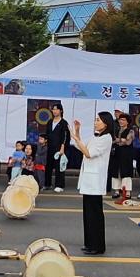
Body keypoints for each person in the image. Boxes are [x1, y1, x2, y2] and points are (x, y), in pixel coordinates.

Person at [71, 111, 115, 255]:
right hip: (89, 180)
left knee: (95, 214)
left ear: (106, 123)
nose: (96, 122)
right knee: (88, 214)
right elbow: (81, 147)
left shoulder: (106, 138)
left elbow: (89, 153)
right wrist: (77, 132)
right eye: (96, 119)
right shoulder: (96, 137)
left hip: (96, 180)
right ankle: (89, 243)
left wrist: (77, 139)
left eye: (98, 120)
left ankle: (97, 245)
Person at [44, 103, 69, 192]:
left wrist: (63, 147)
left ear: (61, 111)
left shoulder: (63, 123)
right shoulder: (50, 122)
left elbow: (65, 136)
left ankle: (59, 185)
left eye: (56, 109)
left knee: (59, 167)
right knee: (48, 166)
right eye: (53, 109)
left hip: (59, 148)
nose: (54, 111)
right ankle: (47, 184)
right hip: (50, 147)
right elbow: (47, 134)